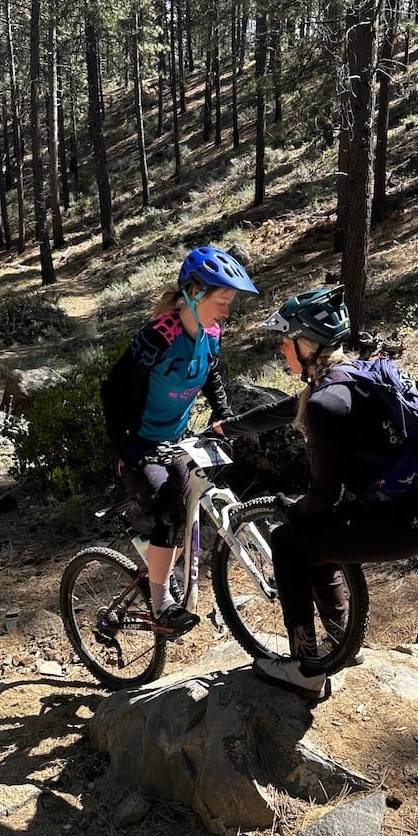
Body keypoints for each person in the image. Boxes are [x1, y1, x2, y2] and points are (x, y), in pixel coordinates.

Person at [214, 285, 418, 701]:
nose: (280, 351)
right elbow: (284, 410)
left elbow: (322, 497)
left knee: (289, 540)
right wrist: (223, 429)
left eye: (284, 342)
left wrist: (289, 508)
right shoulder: (352, 375)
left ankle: (307, 669)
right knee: (316, 535)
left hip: (400, 525)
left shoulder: (326, 403)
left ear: (306, 345)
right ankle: (342, 643)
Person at [100, 245, 258, 637]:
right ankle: (160, 604)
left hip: (174, 440)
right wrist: (125, 446)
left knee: (188, 507)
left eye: (230, 303)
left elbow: (211, 373)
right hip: (139, 445)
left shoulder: (211, 333)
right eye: (222, 301)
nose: (226, 311)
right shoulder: (157, 338)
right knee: (171, 510)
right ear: (193, 293)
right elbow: (113, 391)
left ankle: (161, 556)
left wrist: (222, 412)